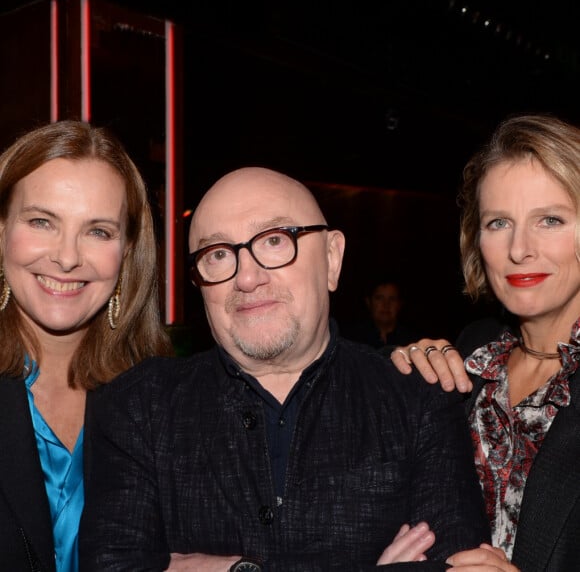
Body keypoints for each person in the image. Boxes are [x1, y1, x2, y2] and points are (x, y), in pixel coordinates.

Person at [79, 166, 491, 571]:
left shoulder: (419, 398)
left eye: (275, 240)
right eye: (218, 254)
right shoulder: (137, 407)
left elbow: (461, 565)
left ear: (332, 259)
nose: (247, 277)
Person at [391, 113, 580, 571]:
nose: (519, 249)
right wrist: (395, 382)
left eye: (550, 219)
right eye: (498, 223)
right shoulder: (468, 358)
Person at [0, 119, 173, 571]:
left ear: (128, 251)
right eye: (42, 221)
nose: (68, 256)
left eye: (98, 231)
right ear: (1, 233)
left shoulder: (164, 400)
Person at [341, 277, 419, 351]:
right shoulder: (351, 340)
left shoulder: (413, 342)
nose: (386, 305)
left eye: (392, 299)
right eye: (379, 298)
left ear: (399, 304)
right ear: (369, 302)